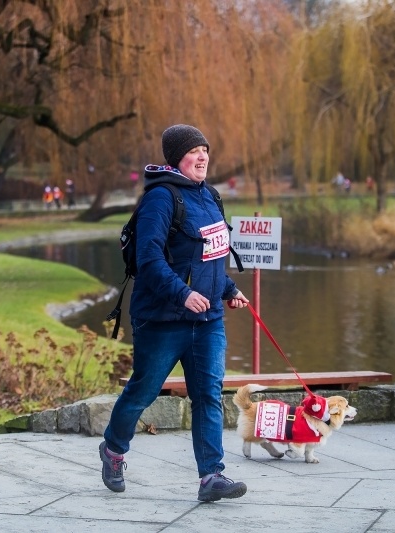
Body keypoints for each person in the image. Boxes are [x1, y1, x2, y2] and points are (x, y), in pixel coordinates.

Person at [99, 124, 250, 502]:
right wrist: (182, 294)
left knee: (208, 395)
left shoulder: (210, 196)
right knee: (143, 392)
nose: (202, 157)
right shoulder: (161, 199)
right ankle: (114, 449)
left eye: (205, 149)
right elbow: (149, 259)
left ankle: (211, 476)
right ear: (175, 158)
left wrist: (228, 289)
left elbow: (209, 257)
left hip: (208, 318)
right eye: (193, 151)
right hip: (163, 320)